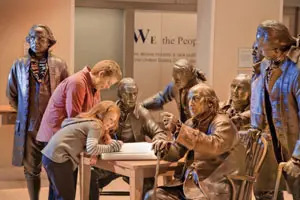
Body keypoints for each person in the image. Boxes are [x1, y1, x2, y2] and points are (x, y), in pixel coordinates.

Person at [145, 83, 245, 200]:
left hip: (212, 188)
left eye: (195, 99)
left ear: (210, 103)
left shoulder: (223, 123)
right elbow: (177, 151)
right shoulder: (191, 123)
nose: (190, 103)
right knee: (153, 196)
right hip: (189, 186)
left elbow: (213, 145)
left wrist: (179, 129)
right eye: (189, 99)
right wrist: (165, 148)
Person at [6, 24, 68, 200]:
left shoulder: (60, 64)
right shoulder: (18, 64)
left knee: (54, 166)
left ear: (49, 41)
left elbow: (66, 93)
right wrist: (24, 114)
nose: (36, 42)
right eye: (32, 38)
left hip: (53, 127)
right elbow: (11, 94)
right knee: (31, 169)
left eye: (41, 38)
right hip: (29, 127)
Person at [90, 78, 165, 200]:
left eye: (135, 94)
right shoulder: (109, 109)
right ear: (120, 94)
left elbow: (159, 133)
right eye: (128, 94)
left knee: (148, 185)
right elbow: (96, 130)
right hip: (111, 159)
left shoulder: (142, 114)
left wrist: (158, 141)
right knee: (91, 173)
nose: (132, 98)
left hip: (133, 161)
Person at [251, 20, 300, 199]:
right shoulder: (267, 67)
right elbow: (263, 103)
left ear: (277, 49)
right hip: (279, 145)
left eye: (261, 47)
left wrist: (297, 157)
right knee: (268, 191)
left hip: (296, 148)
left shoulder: (296, 70)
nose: (257, 50)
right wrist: (255, 126)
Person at [42, 101, 123, 200]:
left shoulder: (87, 121)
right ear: (102, 114)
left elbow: (89, 146)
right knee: (66, 197)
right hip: (58, 158)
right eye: (110, 119)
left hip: (50, 156)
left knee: (56, 196)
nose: (111, 123)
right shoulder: (96, 125)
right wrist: (113, 148)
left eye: (114, 121)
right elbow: (92, 148)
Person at [36, 59, 122, 143]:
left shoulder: (96, 87)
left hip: (68, 135)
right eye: (108, 82)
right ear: (101, 74)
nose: (107, 87)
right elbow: (74, 117)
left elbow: (96, 116)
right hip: (56, 136)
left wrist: (105, 134)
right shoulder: (77, 83)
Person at [142, 58, 206, 123]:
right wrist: (141, 106)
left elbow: (201, 123)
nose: (174, 82)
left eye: (177, 80)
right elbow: (160, 98)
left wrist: (178, 126)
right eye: (173, 78)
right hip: (184, 129)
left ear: (188, 78)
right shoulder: (176, 85)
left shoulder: (202, 92)